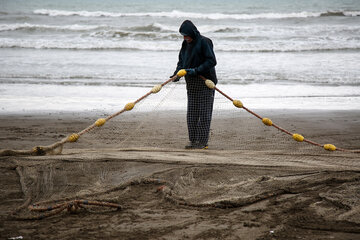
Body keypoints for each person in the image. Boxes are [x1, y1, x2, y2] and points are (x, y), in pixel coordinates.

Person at [172, 20, 217, 149]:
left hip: (205, 82)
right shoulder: (185, 44)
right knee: (192, 113)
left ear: (192, 32)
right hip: (191, 82)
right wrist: (177, 74)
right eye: (183, 36)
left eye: (187, 35)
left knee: (204, 113)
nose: (186, 38)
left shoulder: (204, 42)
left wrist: (196, 70)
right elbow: (181, 61)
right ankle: (193, 141)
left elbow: (211, 61)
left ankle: (202, 142)